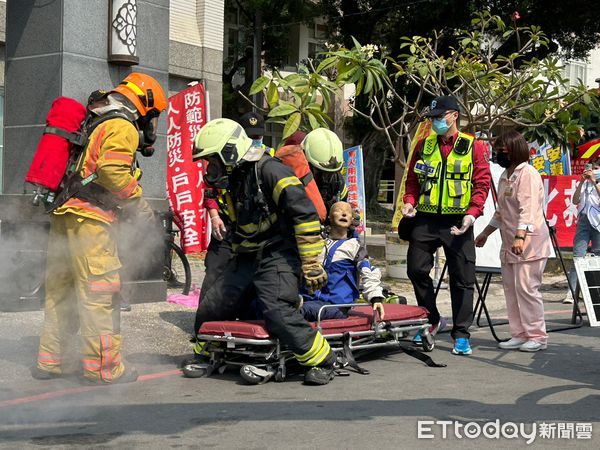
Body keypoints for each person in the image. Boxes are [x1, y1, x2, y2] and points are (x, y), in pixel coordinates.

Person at [33, 73, 167, 383]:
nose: (152, 125)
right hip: (91, 223)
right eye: (153, 116)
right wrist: (140, 205)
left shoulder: (94, 122)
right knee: (99, 296)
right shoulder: (121, 126)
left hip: (64, 215)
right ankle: (104, 370)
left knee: (59, 293)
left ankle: (52, 362)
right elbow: (112, 171)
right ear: (143, 105)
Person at [189, 118, 337, 385]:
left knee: (277, 310)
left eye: (213, 160)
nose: (210, 168)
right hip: (246, 255)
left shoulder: (271, 171)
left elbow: (305, 215)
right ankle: (205, 353)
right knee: (213, 304)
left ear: (230, 152)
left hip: (277, 255)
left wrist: (311, 263)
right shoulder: (235, 177)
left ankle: (322, 360)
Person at [401, 95, 491, 356]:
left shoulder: (474, 146)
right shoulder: (423, 145)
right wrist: (409, 202)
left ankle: (461, 334)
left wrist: (472, 214)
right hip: (426, 218)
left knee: (462, 278)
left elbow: (481, 183)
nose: (435, 122)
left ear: (454, 116)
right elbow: (412, 181)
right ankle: (431, 319)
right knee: (416, 269)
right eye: (432, 118)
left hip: (458, 220)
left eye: (439, 117)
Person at [475, 130, 551, 352]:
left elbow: (527, 210)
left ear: (515, 151)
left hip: (529, 243)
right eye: (497, 150)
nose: (499, 154)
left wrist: (520, 237)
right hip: (509, 244)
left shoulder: (527, 173)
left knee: (527, 289)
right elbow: (501, 212)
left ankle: (537, 335)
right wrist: (485, 233)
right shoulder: (505, 176)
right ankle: (518, 333)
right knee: (511, 289)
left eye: (503, 151)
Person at [301, 201, 385, 321]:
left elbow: (369, 272)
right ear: (329, 217)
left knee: (298, 311)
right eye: (339, 210)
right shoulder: (316, 243)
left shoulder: (355, 247)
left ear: (352, 220)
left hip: (336, 306)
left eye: (348, 212)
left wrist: (375, 298)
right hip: (307, 299)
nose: (344, 214)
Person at [563, 158, 600, 303]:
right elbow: (575, 200)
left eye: (596, 168)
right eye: (591, 167)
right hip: (583, 221)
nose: (592, 171)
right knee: (578, 256)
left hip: (598, 223)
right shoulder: (584, 184)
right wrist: (581, 182)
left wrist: (594, 182)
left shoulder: (596, 181)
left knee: (597, 258)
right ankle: (571, 293)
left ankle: (595, 292)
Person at [301, 128, 349, 212]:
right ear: (305, 160)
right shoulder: (294, 181)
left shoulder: (338, 182)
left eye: (331, 173)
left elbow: (343, 204)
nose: (325, 178)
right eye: (320, 172)